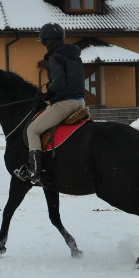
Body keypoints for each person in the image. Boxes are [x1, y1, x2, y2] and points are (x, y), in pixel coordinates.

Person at [15, 23, 88, 185]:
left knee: (33, 130)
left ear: (47, 41)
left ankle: (35, 171)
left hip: (65, 104)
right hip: (80, 102)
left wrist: (49, 89)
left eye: (43, 41)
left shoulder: (55, 57)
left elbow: (58, 82)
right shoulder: (75, 56)